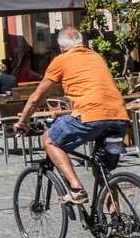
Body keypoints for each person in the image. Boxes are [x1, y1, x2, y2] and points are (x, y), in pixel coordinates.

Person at [16, 28, 129, 207]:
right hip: (120, 119)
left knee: (49, 140)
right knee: (103, 171)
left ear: (61, 47)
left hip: (90, 117)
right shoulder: (96, 56)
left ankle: (76, 189)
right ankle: (118, 224)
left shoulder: (61, 60)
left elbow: (36, 98)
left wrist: (22, 122)